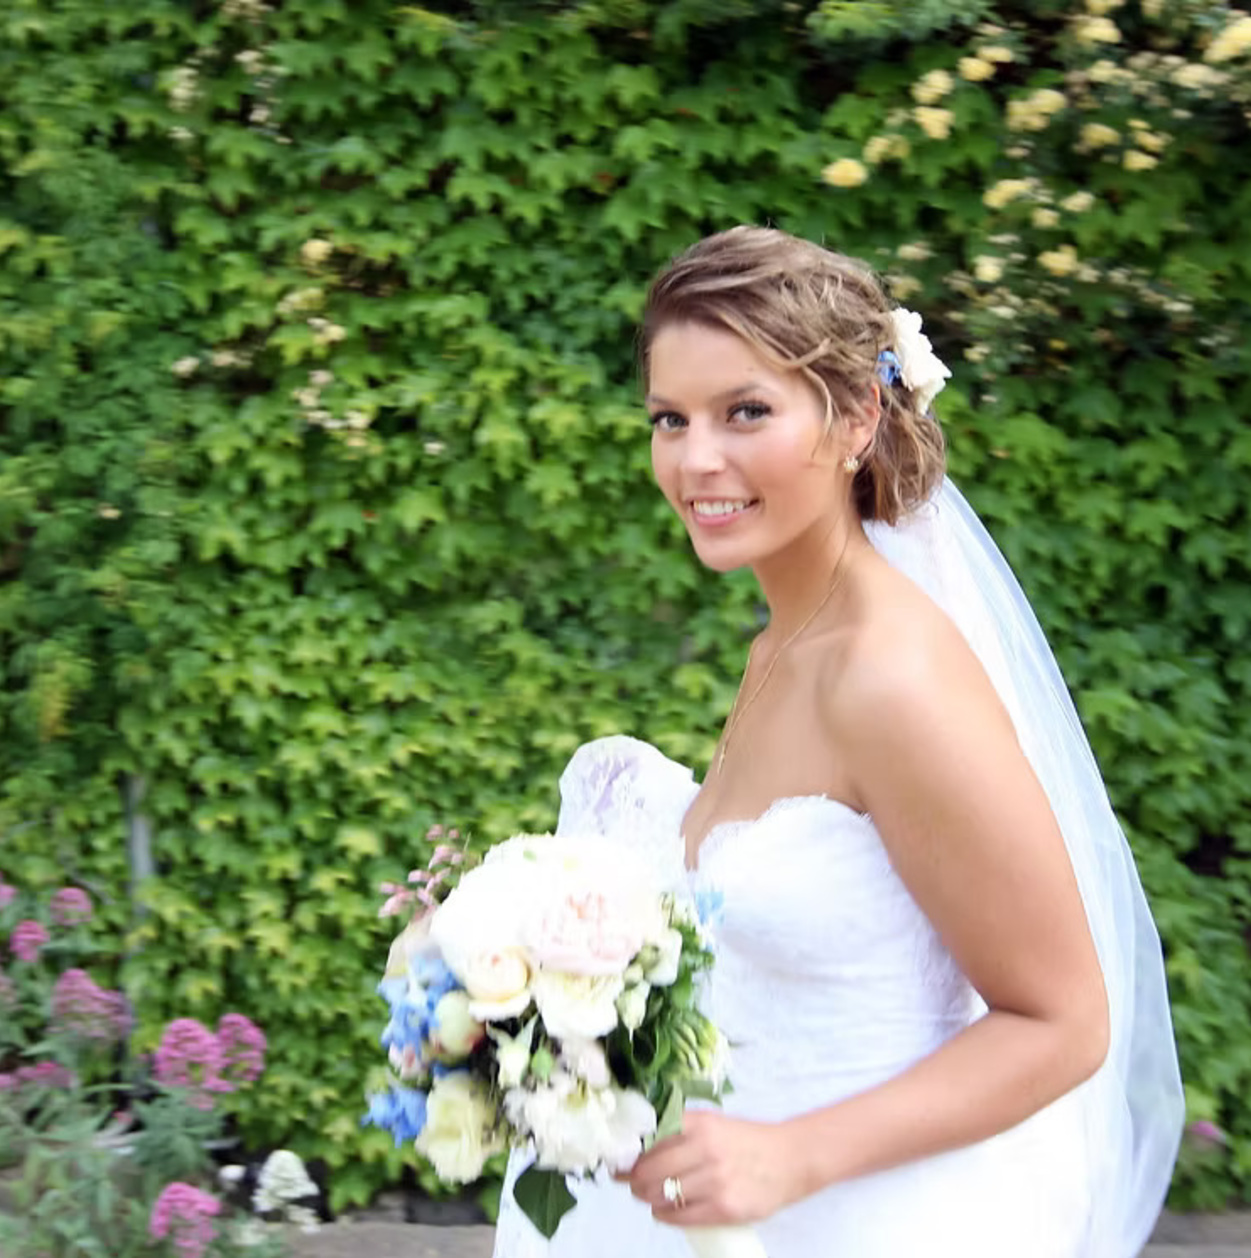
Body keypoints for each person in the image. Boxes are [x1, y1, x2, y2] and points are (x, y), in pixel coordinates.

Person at [490, 227, 1184, 1257]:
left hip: (863, 1218)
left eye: (745, 412)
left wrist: (790, 1156)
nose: (695, 459)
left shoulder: (889, 677)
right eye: (667, 419)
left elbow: (1064, 1021)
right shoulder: (786, 639)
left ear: (857, 414)